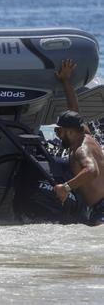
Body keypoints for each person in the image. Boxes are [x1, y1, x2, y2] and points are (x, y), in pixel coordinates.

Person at [53, 59, 104, 226]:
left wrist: (65, 188)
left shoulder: (81, 150)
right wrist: (66, 80)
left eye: (58, 131)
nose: (58, 135)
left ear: (70, 132)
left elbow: (91, 170)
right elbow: (74, 110)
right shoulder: (85, 135)